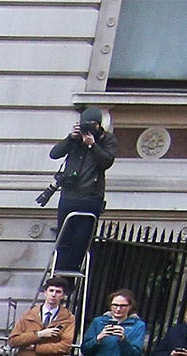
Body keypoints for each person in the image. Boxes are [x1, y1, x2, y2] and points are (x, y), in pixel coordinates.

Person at [48, 107, 117, 278]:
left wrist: (92, 145)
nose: (88, 129)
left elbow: (107, 161)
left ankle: (71, 275)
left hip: (91, 197)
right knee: (64, 238)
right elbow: (54, 154)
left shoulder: (107, 139)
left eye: (92, 125)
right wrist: (70, 139)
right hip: (70, 195)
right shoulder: (75, 139)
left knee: (81, 240)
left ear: (99, 125)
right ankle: (58, 278)